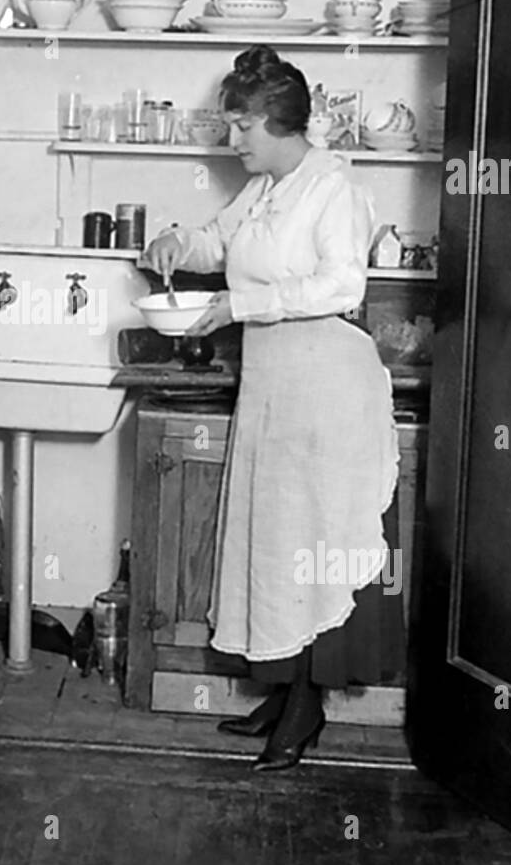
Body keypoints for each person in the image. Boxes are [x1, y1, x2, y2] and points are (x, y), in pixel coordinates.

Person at [144, 45, 401, 770]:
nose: (232, 143)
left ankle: (308, 706)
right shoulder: (260, 191)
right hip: (272, 386)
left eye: (241, 129)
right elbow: (215, 242)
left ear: (281, 125)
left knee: (312, 542)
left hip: (327, 389)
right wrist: (174, 241)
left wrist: (240, 305)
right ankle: (284, 689)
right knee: (274, 542)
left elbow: (340, 287)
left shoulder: (332, 189)